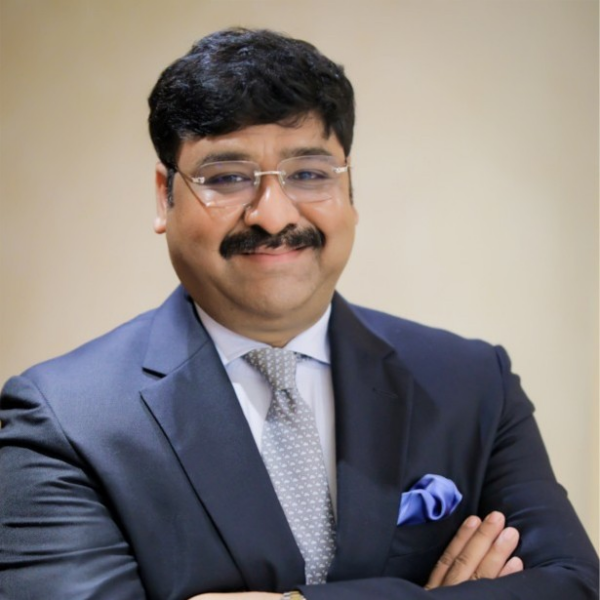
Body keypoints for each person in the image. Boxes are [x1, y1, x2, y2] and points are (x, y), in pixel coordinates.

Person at [0, 27, 597, 600]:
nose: (273, 214)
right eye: (227, 177)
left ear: (350, 189)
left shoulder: (472, 383)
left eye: (309, 174)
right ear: (165, 195)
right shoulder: (63, 422)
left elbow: (574, 585)